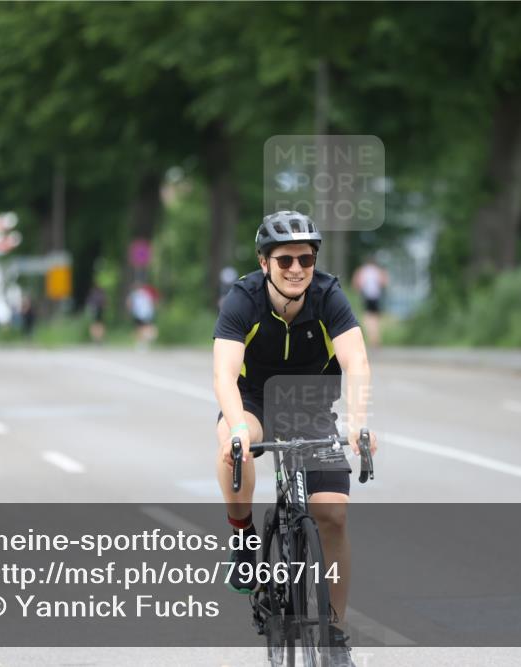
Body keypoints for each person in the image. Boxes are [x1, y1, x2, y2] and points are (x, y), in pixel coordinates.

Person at [213, 210, 378, 666]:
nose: (296, 269)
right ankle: (244, 538)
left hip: (309, 406)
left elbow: (356, 362)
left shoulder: (328, 296)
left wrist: (358, 422)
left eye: (305, 258)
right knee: (233, 452)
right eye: (284, 259)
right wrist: (240, 429)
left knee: (334, 515)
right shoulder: (243, 299)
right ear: (264, 262)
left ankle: (337, 636)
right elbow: (224, 373)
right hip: (254, 400)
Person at [351, 256, 389, 348]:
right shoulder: (377, 270)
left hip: (366, 296)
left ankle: (371, 337)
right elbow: (384, 282)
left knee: (367, 318)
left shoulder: (362, 270)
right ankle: (375, 337)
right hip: (376, 296)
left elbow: (356, 283)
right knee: (375, 318)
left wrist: (359, 290)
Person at [127, 282, 158, 347]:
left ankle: (141, 342)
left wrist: (130, 310)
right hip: (146, 313)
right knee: (145, 327)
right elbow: (153, 302)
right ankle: (144, 340)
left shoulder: (135, 294)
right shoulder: (147, 293)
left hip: (139, 313)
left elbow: (129, 303)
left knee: (140, 328)